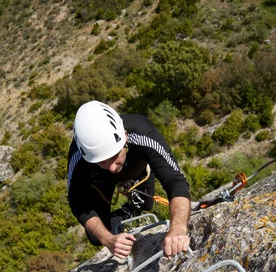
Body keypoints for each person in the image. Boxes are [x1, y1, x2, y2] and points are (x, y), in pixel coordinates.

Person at [67, 100, 191, 260]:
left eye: (114, 156)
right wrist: (108, 239)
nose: (111, 167)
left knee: (146, 205)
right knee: (95, 237)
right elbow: (78, 203)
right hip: (100, 179)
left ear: (125, 136)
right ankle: (124, 213)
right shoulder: (80, 156)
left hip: (136, 170)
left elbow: (175, 181)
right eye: (102, 160)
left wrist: (178, 228)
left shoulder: (142, 133)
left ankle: (131, 208)